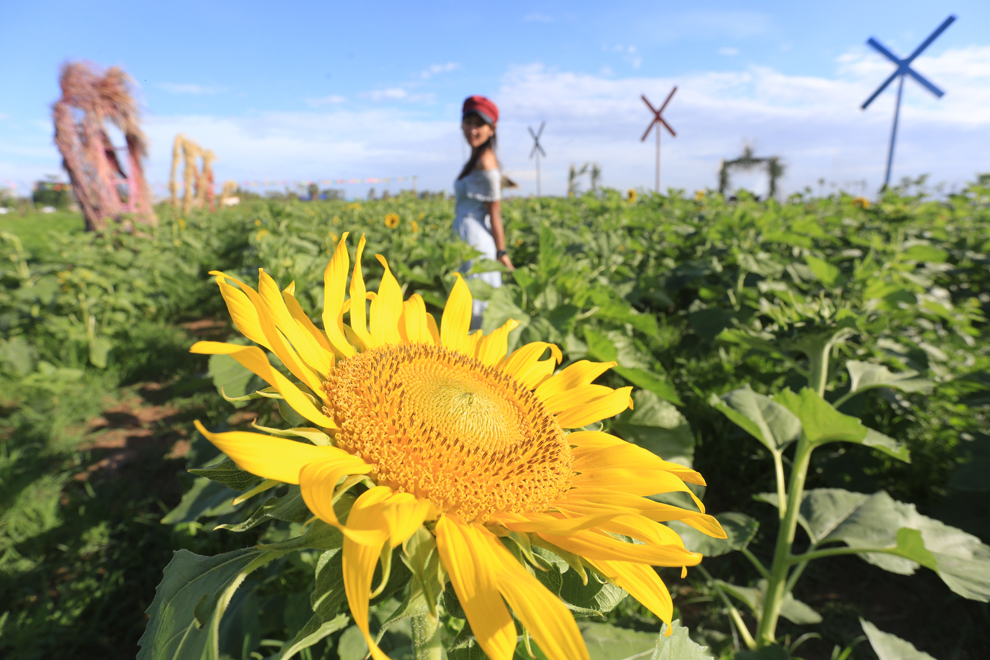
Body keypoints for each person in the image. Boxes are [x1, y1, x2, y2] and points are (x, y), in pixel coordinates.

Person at [453, 95, 514, 330]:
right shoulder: (475, 158)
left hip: (477, 241)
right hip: (466, 238)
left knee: (475, 305)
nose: (472, 129)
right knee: (467, 300)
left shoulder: (487, 163)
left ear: (492, 128)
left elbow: (495, 213)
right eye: (468, 122)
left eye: (479, 124)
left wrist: (502, 252)